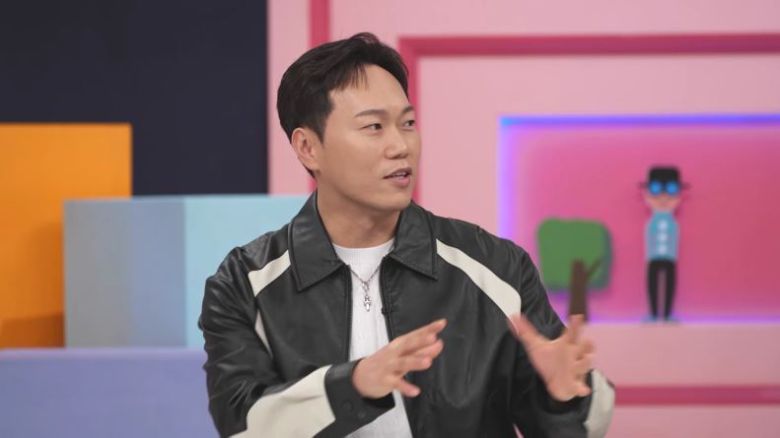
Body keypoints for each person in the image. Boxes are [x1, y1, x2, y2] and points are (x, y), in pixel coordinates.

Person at [200, 32, 614, 438]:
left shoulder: (495, 268)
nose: (401, 146)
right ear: (308, 147)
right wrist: (353, 386)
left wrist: (563, 398)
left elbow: (565, 428)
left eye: (408, 123)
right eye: (374, 127)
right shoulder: (246, 283)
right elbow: (241, 425)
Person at [642, 166, 686, 322]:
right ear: (647, 194)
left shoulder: (674, 224)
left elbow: (674, 241)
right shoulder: (651, 223)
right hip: (653, 258)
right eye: (655, 190)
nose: (663, 197)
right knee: (652, 284)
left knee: (670, 285)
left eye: (671, 190)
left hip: (670, 258)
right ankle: (653, 314)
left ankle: (667, 314)